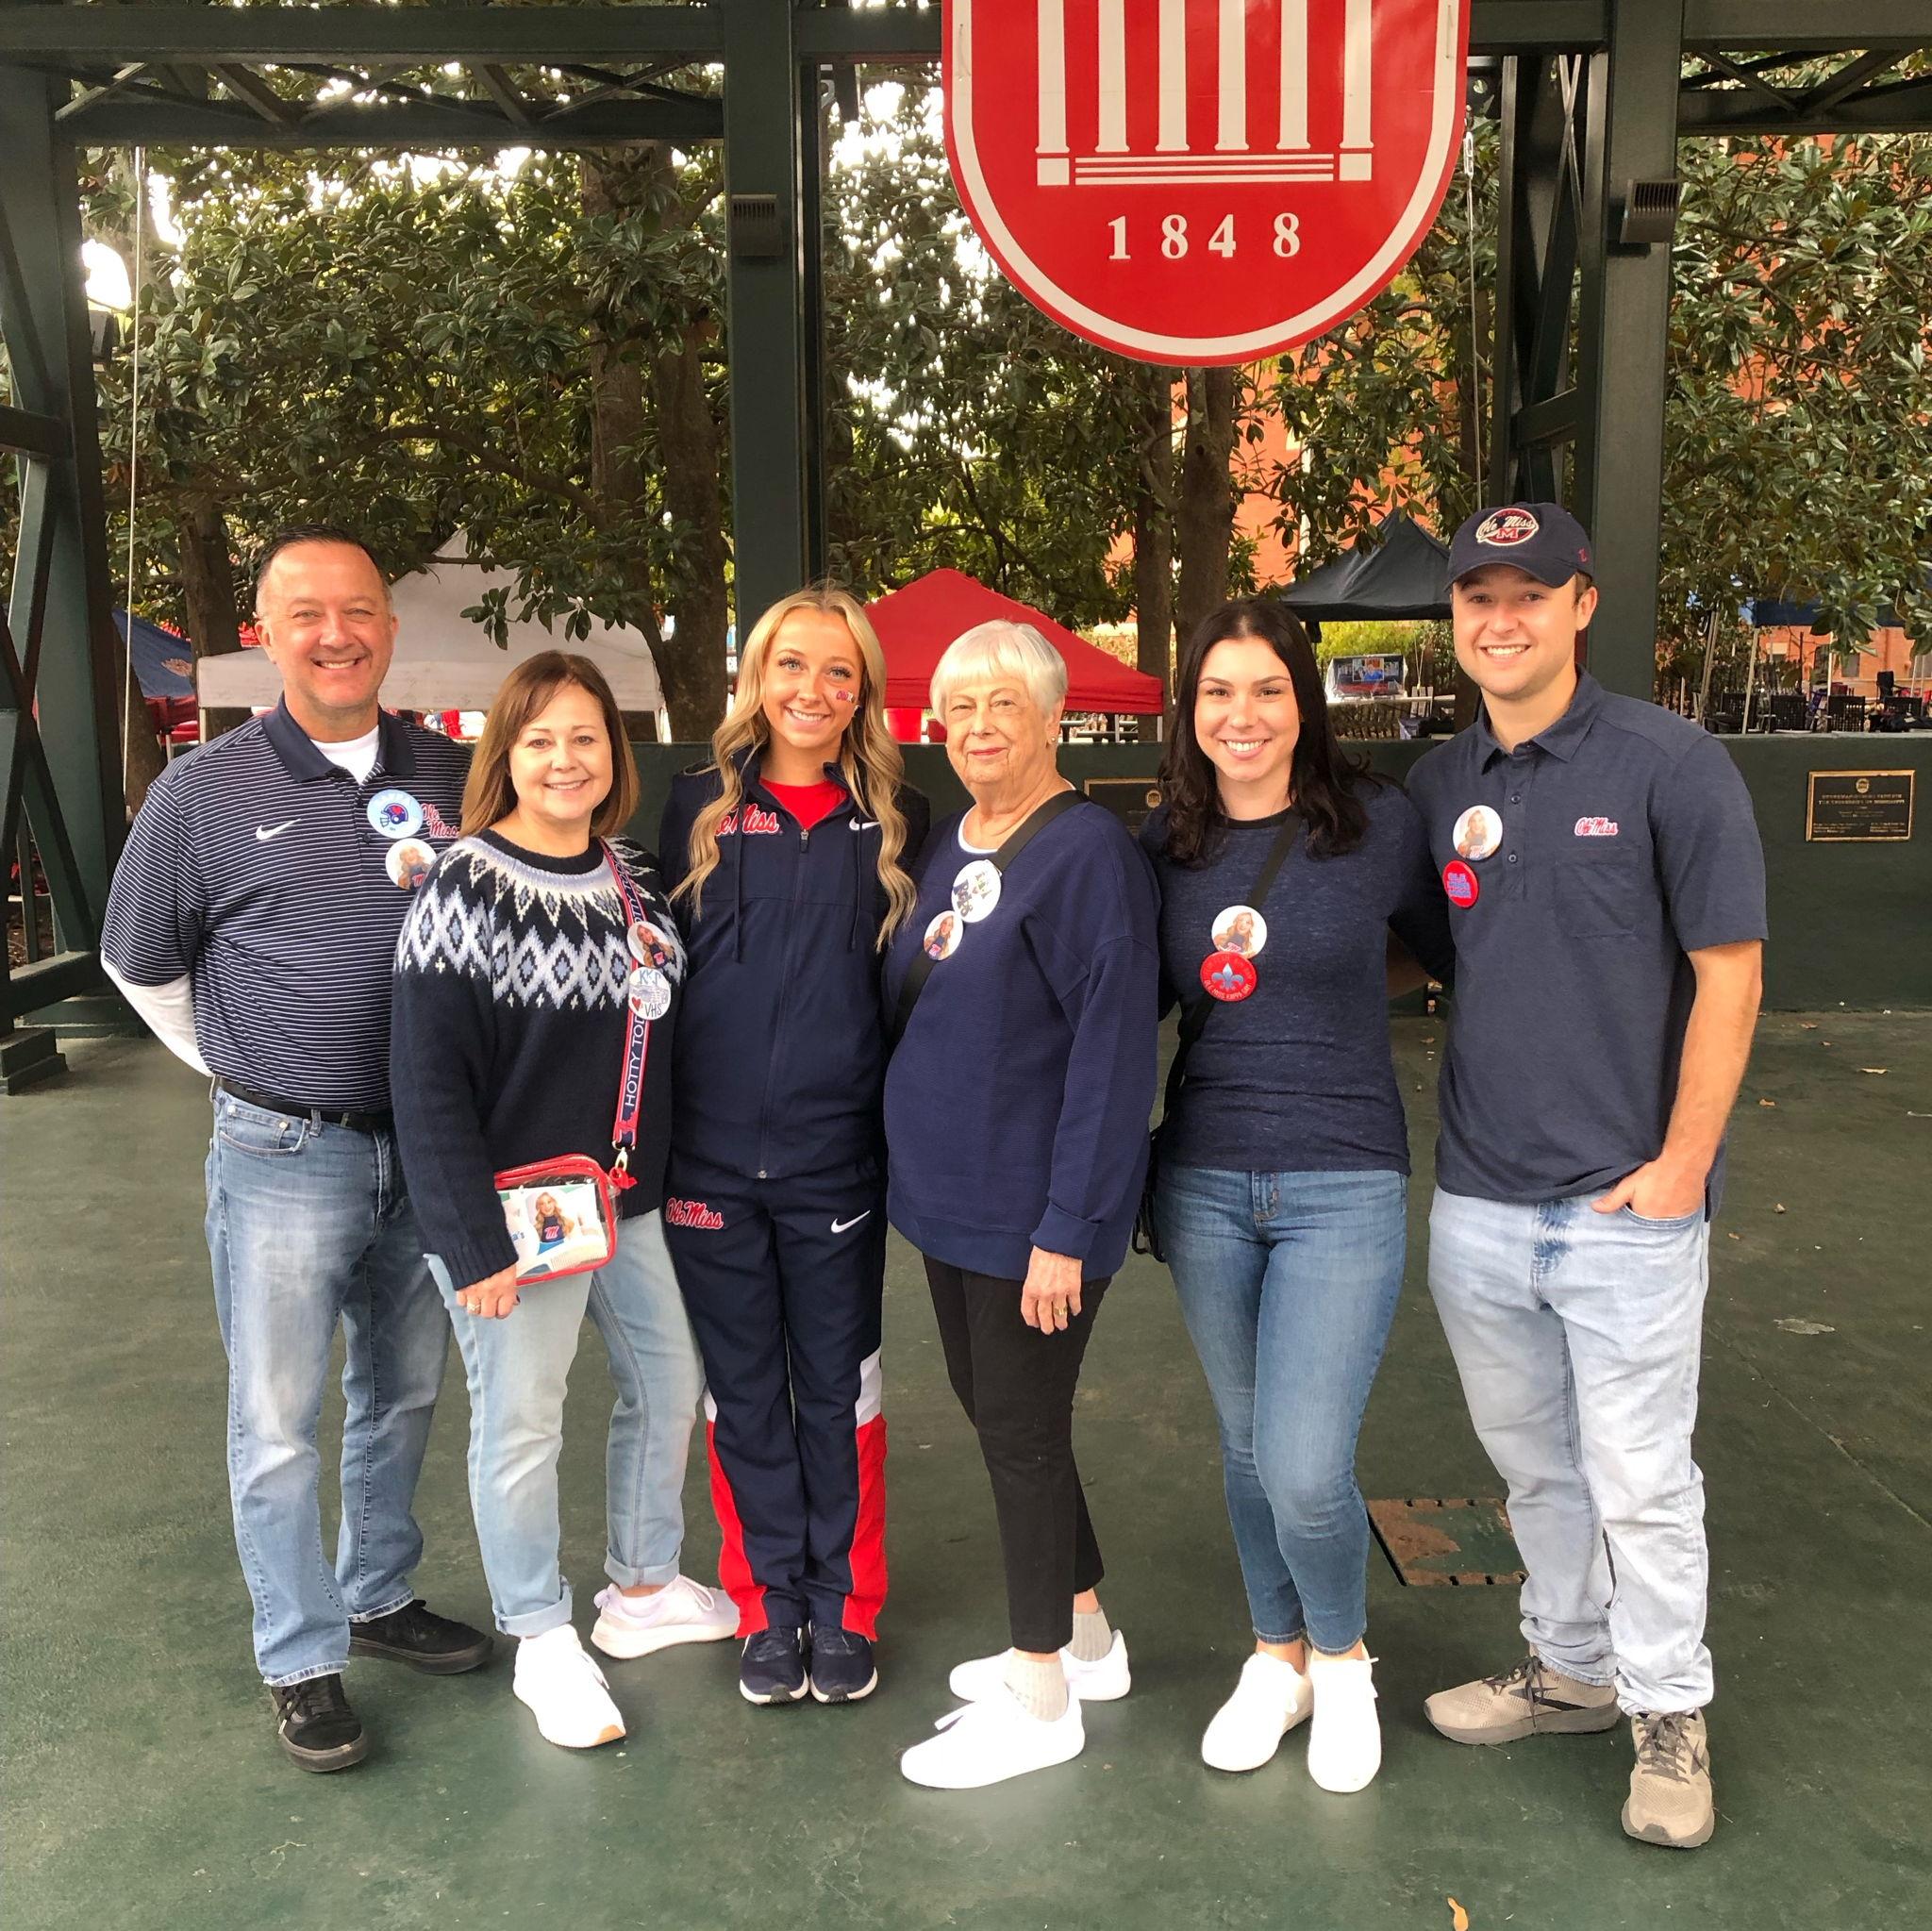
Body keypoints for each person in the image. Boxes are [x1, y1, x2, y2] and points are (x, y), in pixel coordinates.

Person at [99, 525, 490, 1773]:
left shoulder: (448, 770)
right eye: (307, 612)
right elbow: (134, 959)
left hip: (426, 1154)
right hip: (284, 1155)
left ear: (389, 625)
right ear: (265, 633)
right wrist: (245, 1069)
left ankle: (379, 1595)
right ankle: (301, 1654)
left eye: (360, 609)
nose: (338, 632)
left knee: (405, 1388)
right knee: (276, 1416)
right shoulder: (200, 791)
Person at [1407, 503, 1766, 1850]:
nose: (1501, 618)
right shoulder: (1444, 783)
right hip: (1482, 1202)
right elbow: (1420, 950)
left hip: (1628, 1207)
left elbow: (1731, 973)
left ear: (1581, 603)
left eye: (1529, 593)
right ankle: (1569, 1666)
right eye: (1478, 596)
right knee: (1532, 1467)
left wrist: (1682, 1165)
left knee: (1641, 1477)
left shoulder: (1673, 762)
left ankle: (1671, 1712)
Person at [390, 653, 734, 1752]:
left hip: (622, 1202)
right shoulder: (463, 885)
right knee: (523, 1420)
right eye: (538, 739)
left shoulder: (631, 879)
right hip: (510, 1214)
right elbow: (426, 1076)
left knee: (668, 1379)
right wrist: (468, 1240)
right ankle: (540, 1634)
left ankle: (640, 1585)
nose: (563, 760)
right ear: (506, 756)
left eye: (584, 738)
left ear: (612, 756)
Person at [1140, 600, 1453, 1793]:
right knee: (1244, 1442)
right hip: (1206, 1178)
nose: (1242, 715)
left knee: (1306, 1462)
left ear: (1302, 701)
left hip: (1341, 1177)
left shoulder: (1378, 824)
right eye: (1217, 692)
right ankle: (1276, 1656)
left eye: (1266, 689)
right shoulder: (1159, 844)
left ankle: (1345, 1658)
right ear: (1191, 710)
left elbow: (1446, 952)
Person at [881, 620, 1158, 1790]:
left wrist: (1066, 1229)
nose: (979, 724)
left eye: (1005, 703)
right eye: (959, 704)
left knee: (1022, 1436)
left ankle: (1040, 1688)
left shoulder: (1088, 851)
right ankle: (1088, 1635)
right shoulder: (952, 838)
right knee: (1000, 1415)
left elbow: (1110, 1049)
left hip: (1031, 1213)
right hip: (947, 1196)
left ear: (1054, 717)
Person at [658, 589, 929, 1706]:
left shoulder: (901, 819)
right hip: (706, 1171)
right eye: (791, 666)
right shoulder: (693, 811)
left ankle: (843, 1605)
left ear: (862, 689)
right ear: (756, 678)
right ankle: (767, 1604)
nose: (813, 692)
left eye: (838, 672)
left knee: (839, 1391)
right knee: (742, 1396)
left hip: (836, 1167)